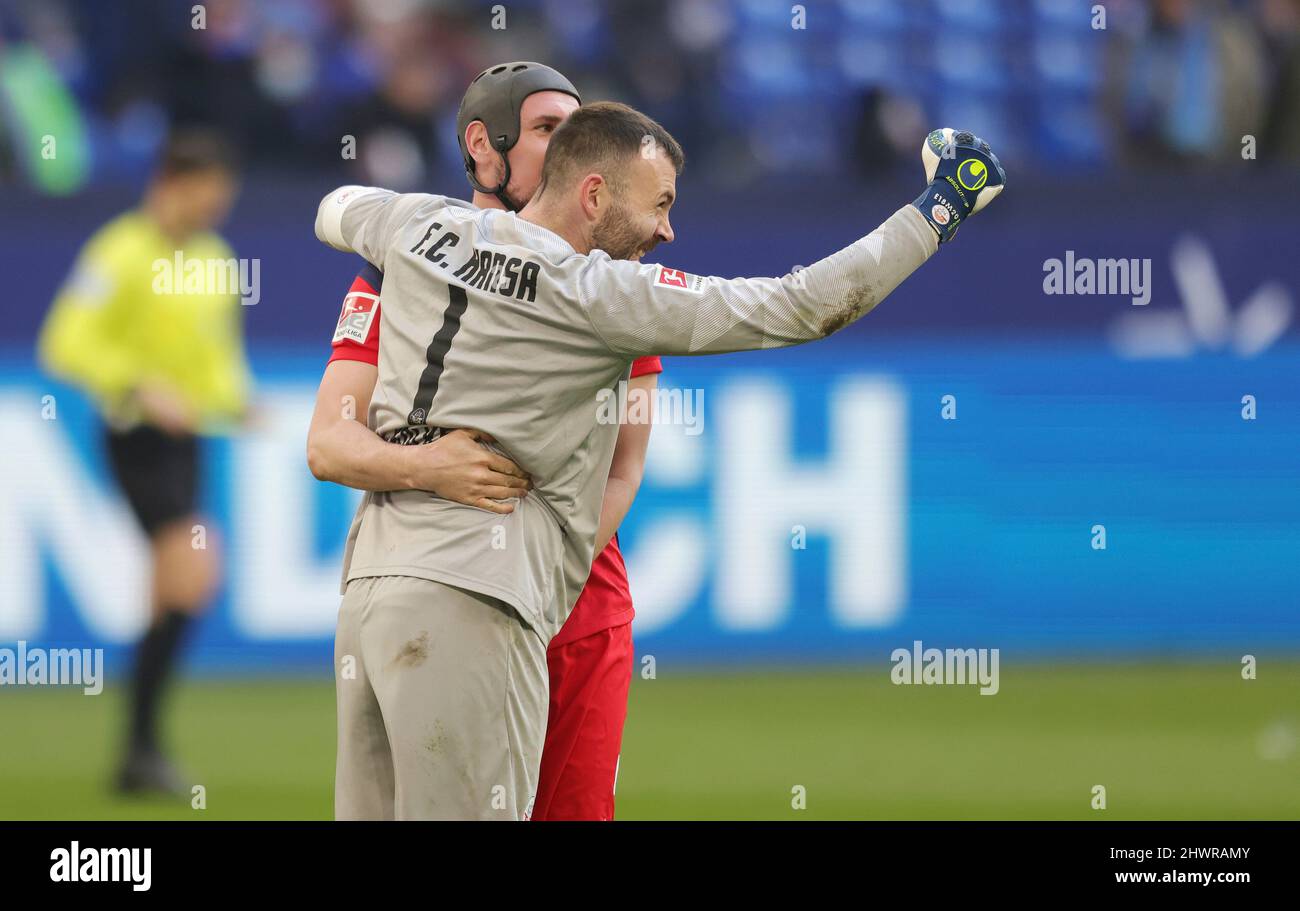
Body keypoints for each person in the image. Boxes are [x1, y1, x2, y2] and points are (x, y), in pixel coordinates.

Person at [315, 103, 1005, 820]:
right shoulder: (598, 294)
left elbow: (336, 209)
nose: (668, 229)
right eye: (660, 204)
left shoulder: (417, 223)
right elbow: (807, 305)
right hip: (472, 595)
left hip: (369, 590)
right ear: (593, 196)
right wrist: (943, 207)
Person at [307, 62, 657, 820]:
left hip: (573, 606)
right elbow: (328, 444)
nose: (570, 149)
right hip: (449, 591)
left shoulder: (611, 279)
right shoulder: (397, 268)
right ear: (483, 147)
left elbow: (624, 471)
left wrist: (545, 587)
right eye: (545, 131)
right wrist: (426, 465)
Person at [38, 129, 254, 794]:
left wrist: (237, 403)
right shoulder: (120, 251)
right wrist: (137, 384)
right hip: (136, 440)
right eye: (208, 196)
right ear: (172, 184)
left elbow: (216, 359)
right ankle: (141, 747)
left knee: (171, 591)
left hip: (187, 442)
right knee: (193, 571)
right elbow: (65, 342)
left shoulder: (215, 257)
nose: (216, 211)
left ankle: (137, 754)